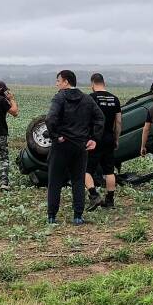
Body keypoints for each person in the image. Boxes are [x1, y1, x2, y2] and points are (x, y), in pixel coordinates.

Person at [45, 70, 104, 224]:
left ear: (66, 82)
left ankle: (52, 216)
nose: (57, 84)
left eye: (58, 80)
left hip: (61, 145)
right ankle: (78, 216)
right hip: (80, 146)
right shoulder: (86, 99)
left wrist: (55, 136)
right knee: (78, 180)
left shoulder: (59, 97)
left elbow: (50, 118)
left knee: (55, 181)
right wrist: (94, 139)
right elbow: (100, 118)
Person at [85, 73, 122, 211]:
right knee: (109, 171)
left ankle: (94, 196)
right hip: (109, 138)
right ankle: (110, 201)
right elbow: (118, 122)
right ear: (104, 82)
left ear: (93, 84)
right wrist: (116, 138)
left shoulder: (91, 98)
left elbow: (85, 119)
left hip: (94, 138)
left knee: (86, 170)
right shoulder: (115, 99)